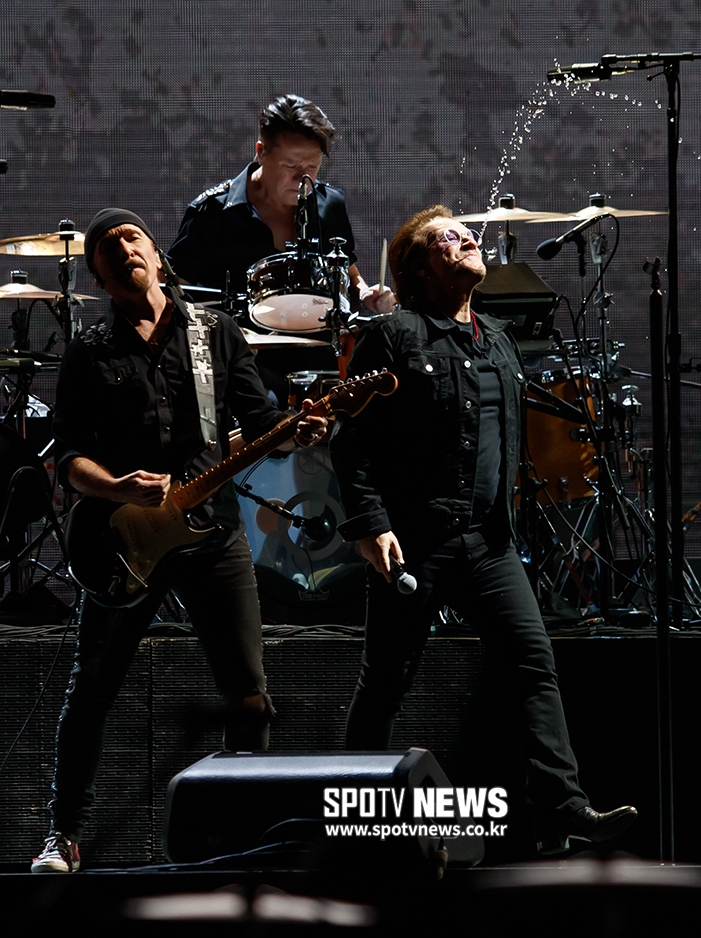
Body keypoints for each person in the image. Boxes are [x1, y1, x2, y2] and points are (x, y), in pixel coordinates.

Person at [329, 205, 637, 854]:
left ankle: (561, 805)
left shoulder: (496, 340)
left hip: (489, 542)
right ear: (417, 266)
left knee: (533, 662)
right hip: (415, 537)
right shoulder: (394, 335)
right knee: (388, 674)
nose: (468, 237)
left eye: (465, 232)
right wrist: (370, 524)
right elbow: (352, 442)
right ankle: (352, 817)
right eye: (447, 236)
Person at [31, 208, 328, 873]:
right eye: (107, 248)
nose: (122, 248)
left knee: (248, 694)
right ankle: (64, 835)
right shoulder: (91, 350)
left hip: (212, 531)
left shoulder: (214, 332)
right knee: (93, 688)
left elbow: (261, 421)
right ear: (101, 278)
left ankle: (243, 838)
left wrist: (297, 429)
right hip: (125, 538)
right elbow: (69, 455)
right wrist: (116, 488)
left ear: (158, 257)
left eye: (131, 237)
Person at [167, 94, 394, 313]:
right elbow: (173, 291)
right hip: (238, 349)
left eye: (312, 167)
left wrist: (367, 295)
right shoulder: (212, 211)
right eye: (291, 166)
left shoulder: (329, 204)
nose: (302, 179)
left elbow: (348, 275)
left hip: (316, 348)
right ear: (261, 152)